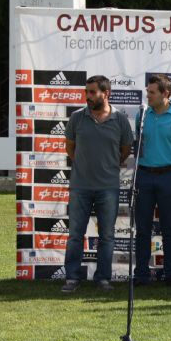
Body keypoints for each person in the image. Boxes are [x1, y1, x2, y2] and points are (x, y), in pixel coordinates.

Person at [62, 75, 134, 293]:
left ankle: (103, 278)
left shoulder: (120, 119)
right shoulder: (77, 118)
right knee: (75, 234)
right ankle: (72, 278)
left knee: (107, 236)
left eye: (93, 92)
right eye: (87, 92)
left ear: (106, 93)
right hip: (80, 186)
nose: (88, 96)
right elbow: (70, 148)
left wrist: (109, 165)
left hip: (108, 187)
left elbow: (125, 150)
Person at [133, 74, 171, 289]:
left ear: (165, 93)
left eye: (152, 92)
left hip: (169, 176)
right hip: (144, 175)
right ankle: (141, 274)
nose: (147, 96)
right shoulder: (141, 116)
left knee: (169, 227)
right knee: (142, 228)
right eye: (147, 91)